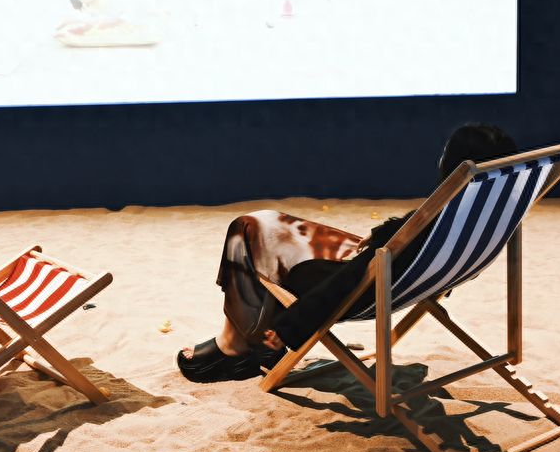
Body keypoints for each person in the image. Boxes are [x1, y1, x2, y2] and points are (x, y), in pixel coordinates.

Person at [177, 123, 519, 383]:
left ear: (452, 166)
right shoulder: (479, 214)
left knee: (245, 232)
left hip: (360, 283)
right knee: (262, 223)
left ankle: (234, 347)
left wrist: (289, 326)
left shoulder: (430, 222)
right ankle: (244, 337)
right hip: (401, 275)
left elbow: (354, 278)